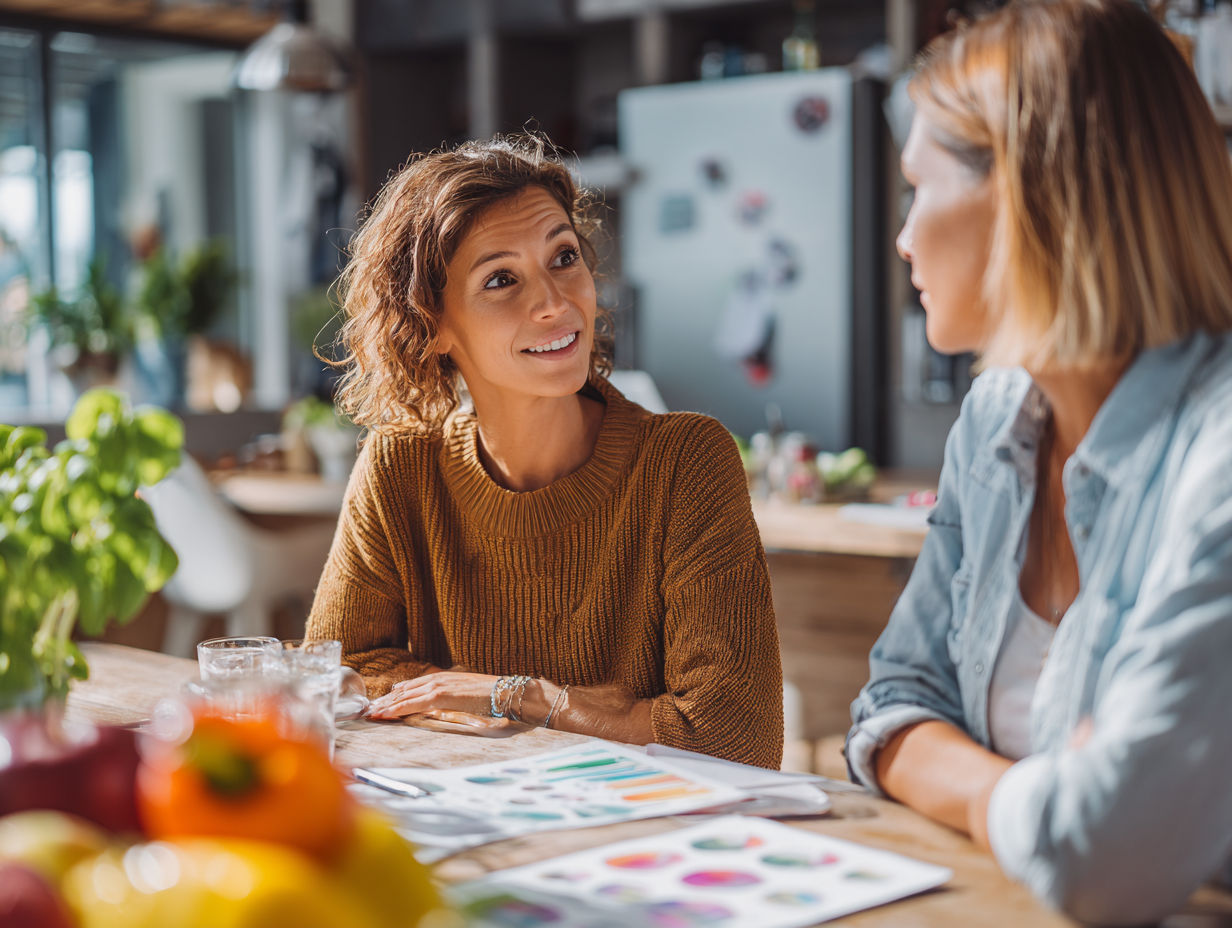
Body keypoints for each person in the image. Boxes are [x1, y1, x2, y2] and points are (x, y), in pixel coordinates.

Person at [847, 1, 1232, 922]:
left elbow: (1110, 855)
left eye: (919, 187)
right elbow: (892, 704)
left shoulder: (1216, 452)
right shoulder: (996, 419)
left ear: (1027, 196)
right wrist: (1039, 795)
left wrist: (972, 784)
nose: (903, 237)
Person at [305, 136, 783, 769]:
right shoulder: (400, 466)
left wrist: (523, 697)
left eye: (564, 257)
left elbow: (737, 737)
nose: (556, 303)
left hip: (645, 820)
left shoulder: (685, 461)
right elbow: (335, 675)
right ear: (431, 323)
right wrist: (614, 712)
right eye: (501, 279)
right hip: (463, 811)